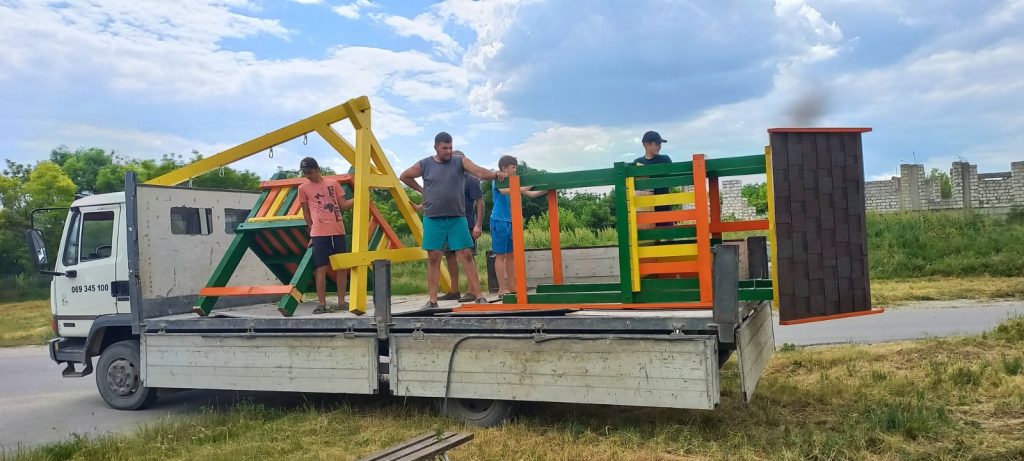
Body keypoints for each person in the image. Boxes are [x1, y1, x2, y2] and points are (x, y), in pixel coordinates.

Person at [399, 132, 507, 309]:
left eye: (450, 147)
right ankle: (432, 301)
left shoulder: (459, 161)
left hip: (457, 218)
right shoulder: (425, 164)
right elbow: (404, 176)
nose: (448, 151)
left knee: (465, 254)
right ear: (436, 147)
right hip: (433, 218)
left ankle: (479, 296)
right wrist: (422, 190)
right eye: (444, 148)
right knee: (434, 257)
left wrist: (496, 175)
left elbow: (479, 171)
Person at [297, 157, 354, 314]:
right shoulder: (302, 188)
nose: (307, 174)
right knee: (320, 267)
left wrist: (360, 198)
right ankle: (322, 303)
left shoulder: (332, 184)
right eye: (305, 172)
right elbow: (306, 212)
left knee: (341, 266)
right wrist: (312, 232)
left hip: (337, 230)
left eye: (310, 171)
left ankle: (342, 301)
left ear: (317, 169)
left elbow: (343, 205)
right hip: (319, 233)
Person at [490, 155, 547, 297]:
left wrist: (547, 190)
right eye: (513, 167)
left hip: (511, 221)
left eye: (515, 167)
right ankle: (502, 288)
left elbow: (531, 194)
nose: (515, 170)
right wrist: (524, 187)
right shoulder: (499, 179)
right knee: (500, 255)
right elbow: (505, 191)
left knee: (511, 255)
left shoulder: (514, 182)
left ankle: (512, 286)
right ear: (503, 168)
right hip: (499, 220)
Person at [438, 150, 484, 302]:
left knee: (468, 255)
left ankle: (472, 290)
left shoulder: (471, 178)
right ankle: (454, 290)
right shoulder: (448, 178)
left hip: (467, 222)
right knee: (449, 255)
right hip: (448, 223)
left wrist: (478, 224)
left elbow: (479, 202)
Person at [633, 131, 673, 228]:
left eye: (660, 144)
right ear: (646, 144)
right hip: (644, 210)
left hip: (664, 208)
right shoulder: (637, 163)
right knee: (647, 240)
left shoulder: (665, 159)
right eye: (657, 143)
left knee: (667, 238)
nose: (659, 146)